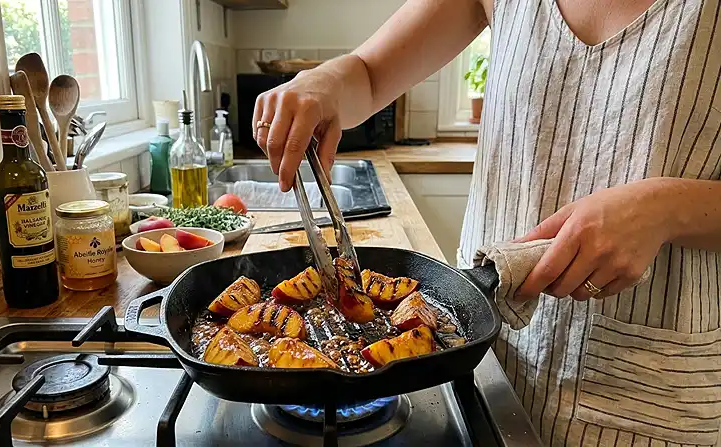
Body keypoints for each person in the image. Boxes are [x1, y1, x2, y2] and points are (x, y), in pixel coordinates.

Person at [251, 0, 721, 445]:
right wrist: (328, 80)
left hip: (642, 385)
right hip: (476, 348)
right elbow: (369, 75)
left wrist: (665, 208)